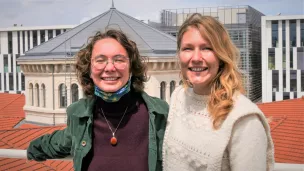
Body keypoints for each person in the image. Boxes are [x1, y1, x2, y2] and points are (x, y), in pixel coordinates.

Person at [27, 29, 168, 171]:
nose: (110, 68)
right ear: (89, 69)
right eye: (100, 60)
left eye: (119, 59)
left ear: (131, 67)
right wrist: (32, 149)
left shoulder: (159, 115)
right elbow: (63, 141)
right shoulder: (79, 117)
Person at [162, 13, 274, 171]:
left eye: (207, 48)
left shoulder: (244, 119)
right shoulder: (178, 97)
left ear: (221, 56)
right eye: (187, 48)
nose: (196, 58)